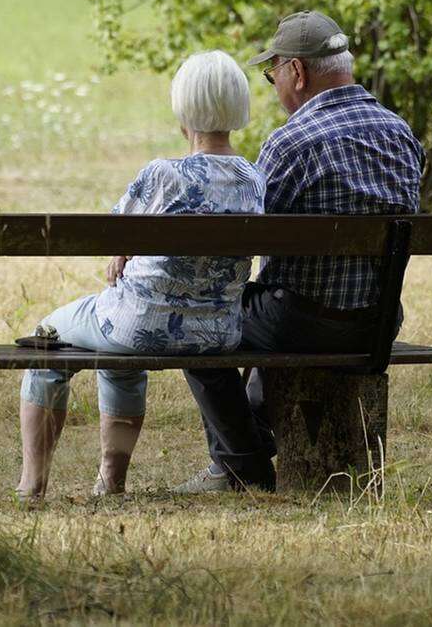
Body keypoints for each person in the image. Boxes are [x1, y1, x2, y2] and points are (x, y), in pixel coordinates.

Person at [173, 11, 424, 494]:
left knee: (198, 320)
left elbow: (246, 238)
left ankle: (242, 465)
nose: (274, 87)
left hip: (301, 322)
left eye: (272, 77)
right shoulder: (402, 135)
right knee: (273, 303)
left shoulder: (291, 143)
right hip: (377, 323)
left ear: (297, 72)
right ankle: (255, 441)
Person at [16, 50, 267, 499]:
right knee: (117, 353)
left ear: (183, 107)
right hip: (217, 334)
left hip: (138, 326)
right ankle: (110, 482)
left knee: (47, 338)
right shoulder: (254, 179)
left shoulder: (162, 175)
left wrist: (123, 251)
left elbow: (111, 235)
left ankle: (32, 485)